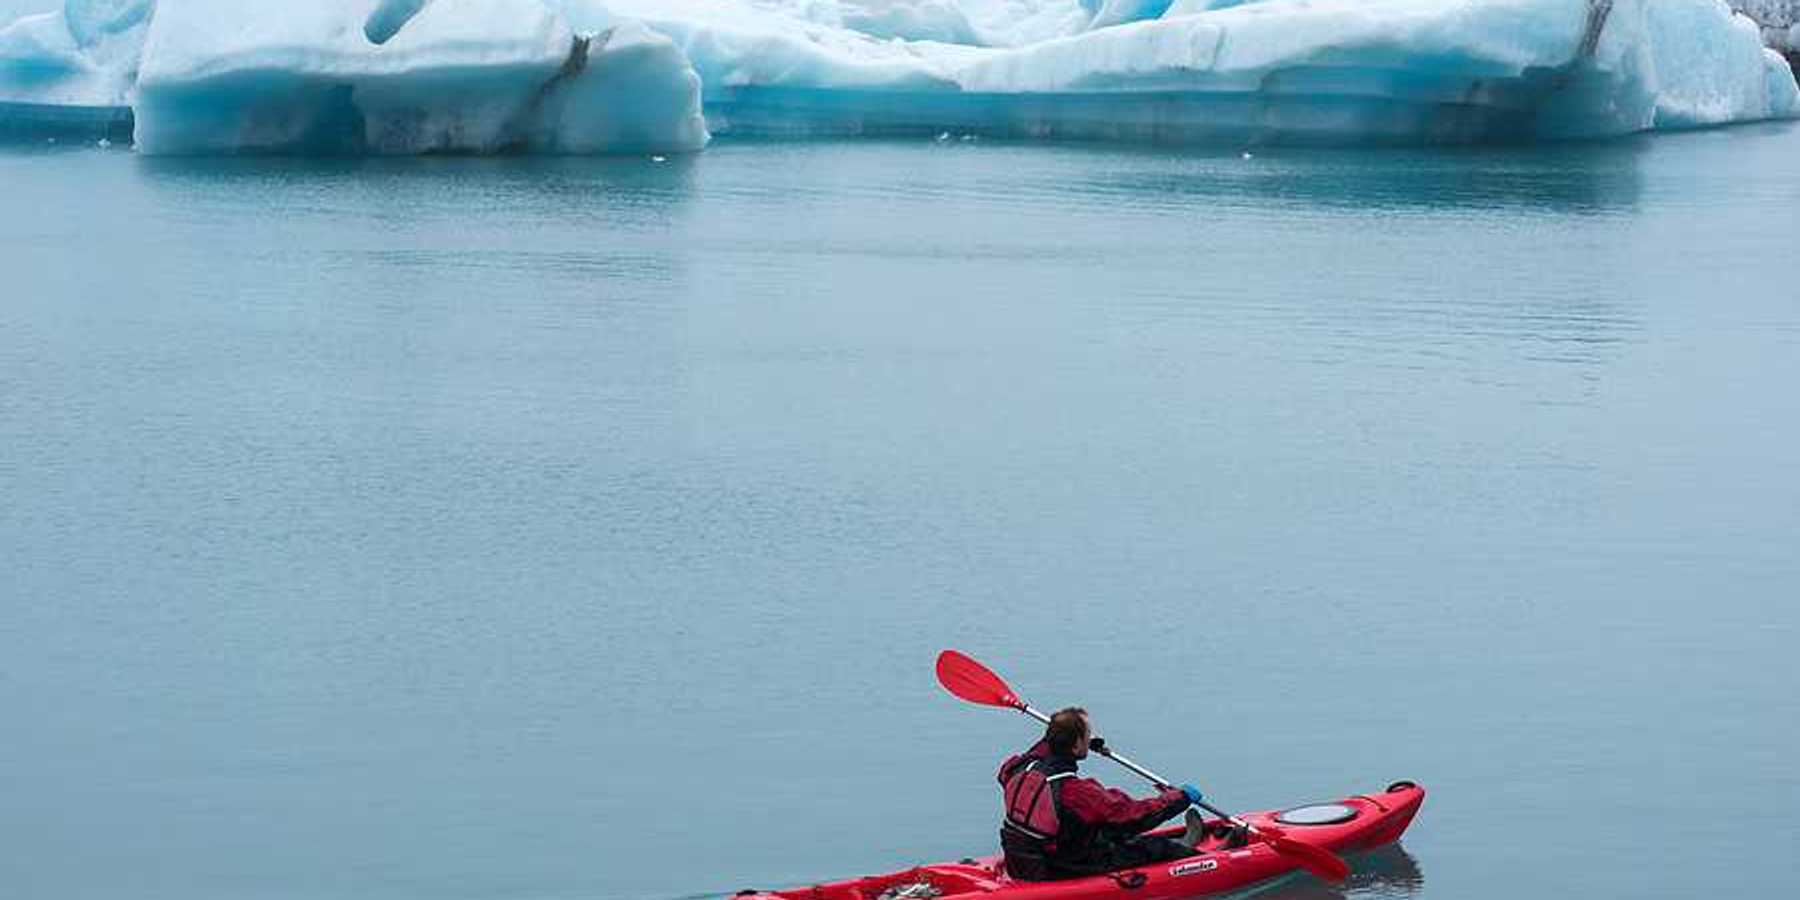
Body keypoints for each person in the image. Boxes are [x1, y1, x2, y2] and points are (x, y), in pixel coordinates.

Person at [997, 707, 1205, 881]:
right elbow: (1134, 816)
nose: (1090, 739)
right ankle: (1196, 854)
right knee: (1150, 845)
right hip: (1065, 865)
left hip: (1022, 859)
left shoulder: (1016, 767)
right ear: (1077, 744)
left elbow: (1042, 750)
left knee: (1104, 828)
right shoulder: (1076, 791)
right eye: (1088, 736)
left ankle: (1181, 843)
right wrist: (1179, 798)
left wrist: (1074, 738)